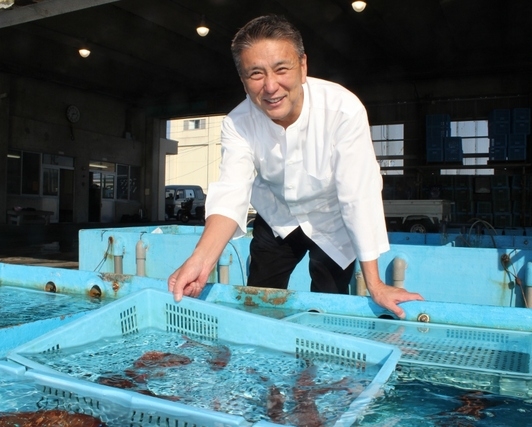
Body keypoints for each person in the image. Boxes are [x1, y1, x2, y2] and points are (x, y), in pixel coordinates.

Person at [168, 14, 423, 318]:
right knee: (259, 301)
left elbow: (358, 194)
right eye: (256, 74)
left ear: (303, 66)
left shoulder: (343, 110)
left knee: (329, 307)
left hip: (332, 219)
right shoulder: (237, 123)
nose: (271, 87)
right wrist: (201, 260)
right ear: (243, 80)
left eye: (281, 69)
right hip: (277, 216)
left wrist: (376, 283)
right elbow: (231, 191)